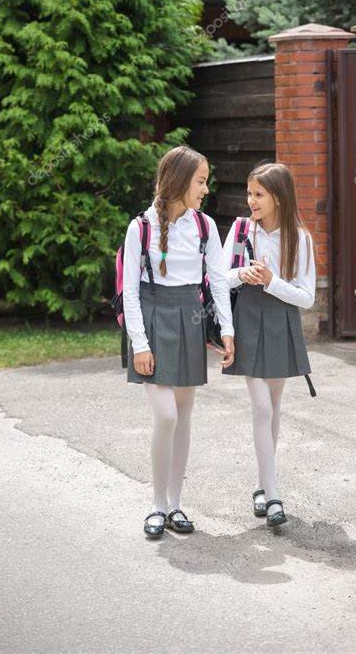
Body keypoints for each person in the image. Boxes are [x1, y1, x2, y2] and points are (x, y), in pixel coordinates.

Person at [123, 146, 235, 539]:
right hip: (153, 322)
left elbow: (218, 280)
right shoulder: (141, 226)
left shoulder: (205, 227)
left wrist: (227, 329)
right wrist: (139, 343)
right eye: (201, 181)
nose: (205, 189)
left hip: (189, 320)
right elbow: (130, 291)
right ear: (179, 181)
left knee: (184, 416)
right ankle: (156, 504)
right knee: (166, 416)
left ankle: (175, 504)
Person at [222, 163, 316, 527]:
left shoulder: (300, 239)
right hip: (247, 320)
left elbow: (306, 297)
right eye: (249, 194)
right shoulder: (242, 229)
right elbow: (218, 276)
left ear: (278, 197)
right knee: (261, 408)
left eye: (258, 194)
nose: (251, 201)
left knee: (273, 408)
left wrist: (271, 280)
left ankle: (262, 485)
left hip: (281, 323)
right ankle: (273, 496)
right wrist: (241, 274)